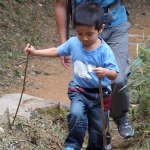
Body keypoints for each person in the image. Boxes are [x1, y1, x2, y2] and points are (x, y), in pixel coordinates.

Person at [25, 2, 119, 149]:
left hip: (99, 95)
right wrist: (36, 52)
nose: (84, 38)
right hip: (79, 91)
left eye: (89, 34)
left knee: (98, 129)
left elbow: (114, 74)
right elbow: (56, 51)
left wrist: (106, 72)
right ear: (75, 29)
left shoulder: (104, 51)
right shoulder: (74, 43)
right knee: (76, 116)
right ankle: (73, 145)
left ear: (100, 29)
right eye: (80, 33)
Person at [55, 0, 134, 139]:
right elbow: (61, 5)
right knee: (91, 79)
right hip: (85, 28)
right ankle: (102, 136)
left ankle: (119, 114)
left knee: (118, 78)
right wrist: (64, 46)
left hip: (116, 22)